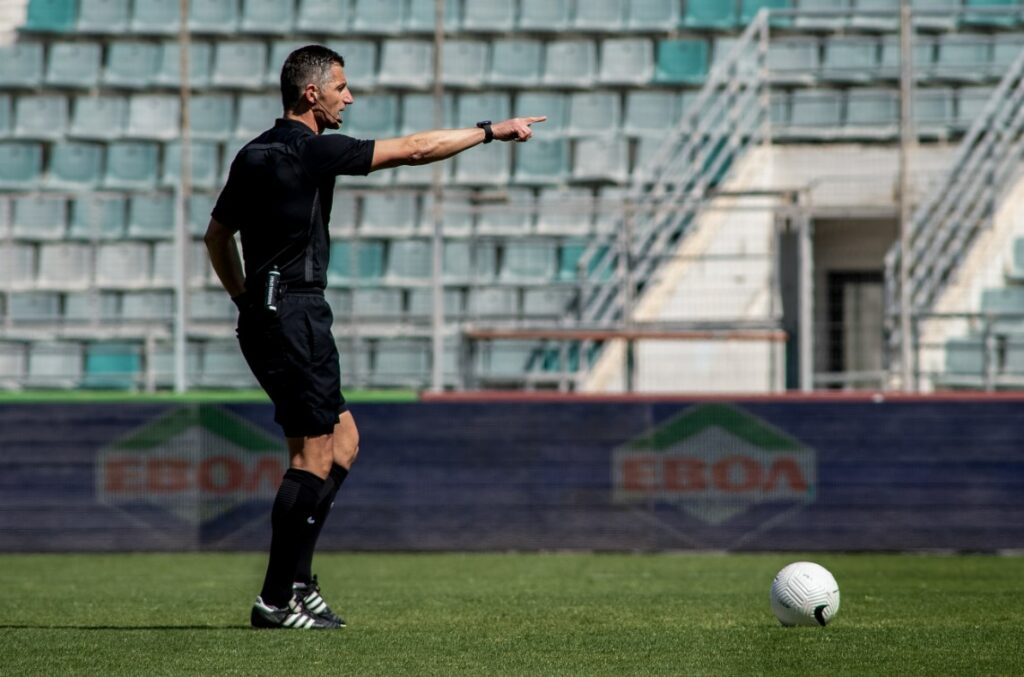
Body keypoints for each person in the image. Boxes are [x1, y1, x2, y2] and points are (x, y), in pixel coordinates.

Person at [204, 44, 545, 630]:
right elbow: (415, 150)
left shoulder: (251, 154)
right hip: (296, 314)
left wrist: (244, 300)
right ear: (312, 94)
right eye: (341, 86)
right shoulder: (312, 151)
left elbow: (216, 237)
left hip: (270, 314)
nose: (349, 97)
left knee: (342, 444)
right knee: (315, 456)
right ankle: (273, 601)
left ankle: (299, 584)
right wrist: (490, 131)